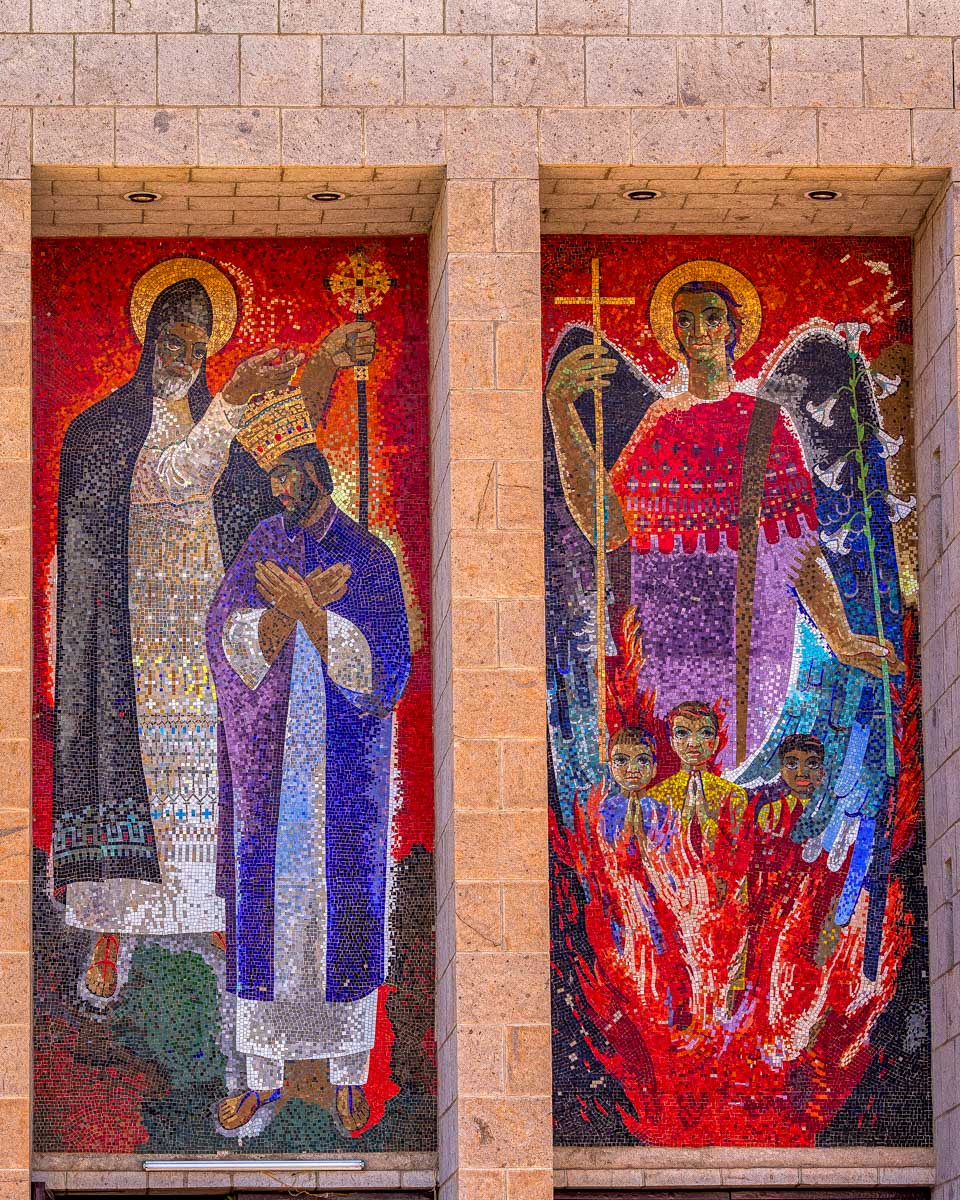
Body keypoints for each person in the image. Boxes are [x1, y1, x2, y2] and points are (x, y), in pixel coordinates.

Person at [52, 260, 303, 999]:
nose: (182, 357)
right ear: (148, 340)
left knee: (207, 772)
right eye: (171, 340)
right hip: (130, 637)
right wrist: (232, 400)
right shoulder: (106, 431)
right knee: (132, 780)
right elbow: (175, 477)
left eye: (197, 346)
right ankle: (108, 936)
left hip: (203, 634)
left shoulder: (222, 438)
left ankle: (218, 916)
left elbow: (264, 509)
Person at [206, 383, 411, 1135]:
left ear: (316, 477)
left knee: (348, 904)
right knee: (264, 907)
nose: (279, 492)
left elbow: (388, 667)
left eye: (288, 479)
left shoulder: (369, 556)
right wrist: (278, 617)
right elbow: (223, 630)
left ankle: (351, 1073)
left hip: (342, 763)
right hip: (270, 758)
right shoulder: (262, 544)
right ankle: (260, 1077)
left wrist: (316, 618)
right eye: (272, 483)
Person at [649, 702, 747, 850]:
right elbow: (655, 849)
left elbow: (736, 848)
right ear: (673, 743)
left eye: (705, 733)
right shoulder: (657, 796)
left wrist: (705, 819)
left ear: (715, 743)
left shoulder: (733, 794)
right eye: (682, 733)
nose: (693, 743)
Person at [600, 726, 669, 848]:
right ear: (611, 768)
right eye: (621, 760)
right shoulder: (603, 812)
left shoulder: (664, 813)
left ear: (654, 768)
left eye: (642, 760)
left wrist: (641, 836)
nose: (632, 769)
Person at [755, 733, 825, 836]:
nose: (802, 773)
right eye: (792, 764)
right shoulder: (770, 811)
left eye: (812, 764)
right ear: (782, 770)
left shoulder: (825, 812)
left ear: (821, 770)